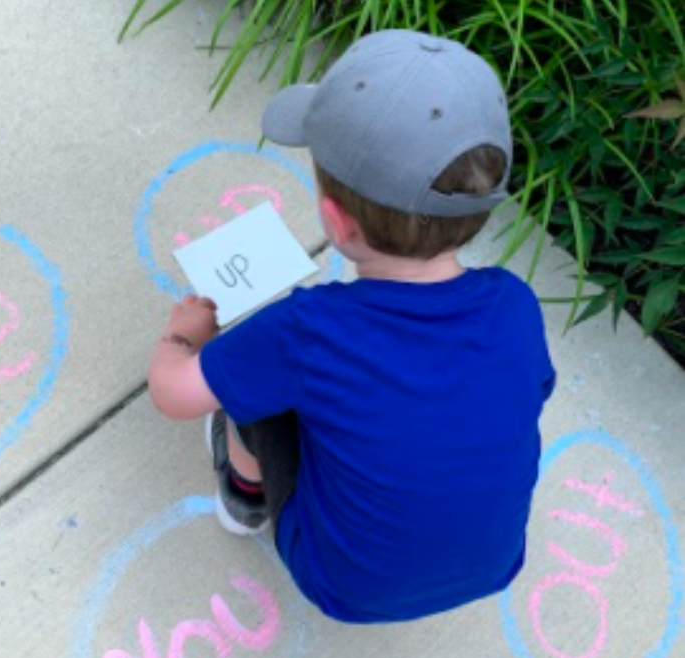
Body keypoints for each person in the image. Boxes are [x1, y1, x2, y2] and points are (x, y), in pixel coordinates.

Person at [147, 29, 557, 624]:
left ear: (337, 223)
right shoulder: (516, 307)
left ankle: (244, 499)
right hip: (494, 565)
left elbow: (173, 394)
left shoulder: (308, 331)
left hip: (346, 586)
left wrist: (183, 336)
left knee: (249, 384)